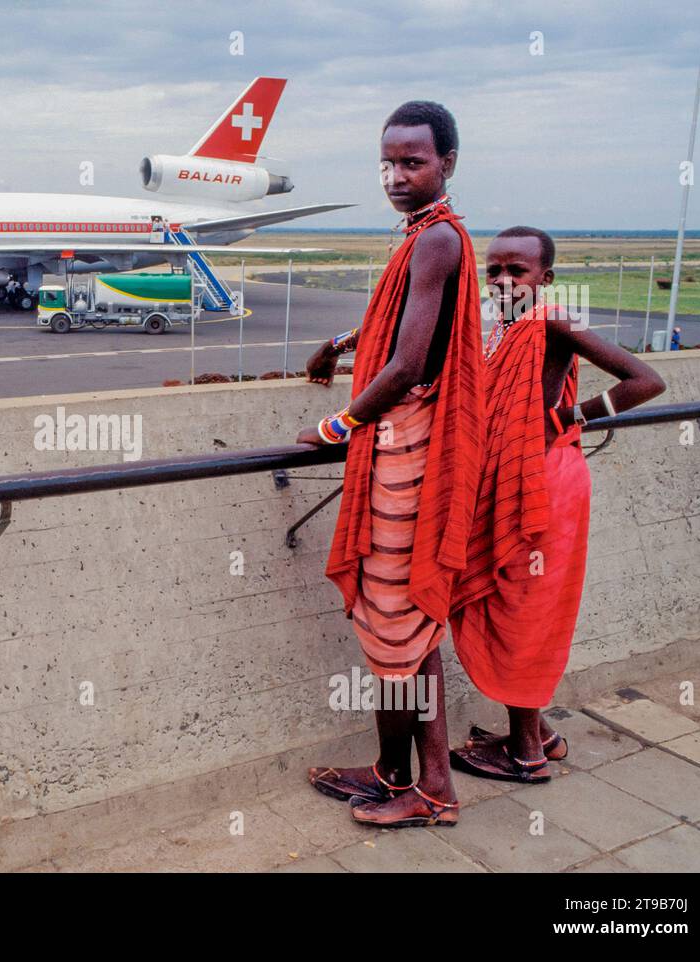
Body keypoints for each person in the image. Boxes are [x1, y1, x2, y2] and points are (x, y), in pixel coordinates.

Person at [298, 101, 484, 828]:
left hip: (407, 452)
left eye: (413, 162)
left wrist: (339, 423)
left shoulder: (436, 240)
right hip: (405, 446)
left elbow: (408, 362)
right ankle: (394, 772)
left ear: (447, 164)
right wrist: (341, 343)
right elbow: (401, 320)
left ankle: (431, 789)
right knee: (410, 628)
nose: (396, 175)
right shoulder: (423, 239)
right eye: (388, 162)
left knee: (402, 627)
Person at [446, 227, 665, 782]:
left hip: (541, 485)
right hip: (513, 480)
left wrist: (569, 418)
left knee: (523, 607)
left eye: (516, 272)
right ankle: (541, 732)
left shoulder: (555, 320)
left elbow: (645, 380)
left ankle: (525, 755)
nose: (501, 281)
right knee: (517, 603)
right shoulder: (502, 328)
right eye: (492, 271)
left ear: (546, 278)